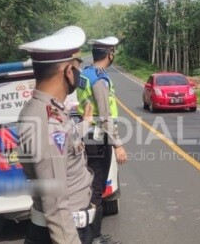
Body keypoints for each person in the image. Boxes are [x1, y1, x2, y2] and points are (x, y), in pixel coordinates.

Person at [17, 26, 96, 244]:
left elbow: (64, 144)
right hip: (62, 234)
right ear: (69, 71)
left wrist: (86, 123)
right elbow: (55, 203)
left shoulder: (49, 111)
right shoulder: (47, 120)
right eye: (78, 67)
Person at [76, 36, 127, 244]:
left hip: (87, 136)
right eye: (113, 52)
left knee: (90, 189)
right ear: (110, 54)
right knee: (96, 191)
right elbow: (105, 116)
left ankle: (93, 235)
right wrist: (118, 145)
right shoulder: (100, 79)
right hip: (98, 140)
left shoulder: (86, 73)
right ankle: (93, 239)